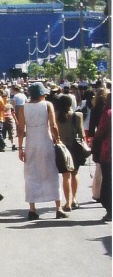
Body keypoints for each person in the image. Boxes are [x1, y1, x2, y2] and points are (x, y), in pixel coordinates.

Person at [17, 82, 66, 220]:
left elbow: (21, 130)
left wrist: (20, 148)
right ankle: (58, 208)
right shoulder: (47, 105)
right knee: (51, 172)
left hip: (31, 143)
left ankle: (32, 209)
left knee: (30, 174)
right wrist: (58, 140)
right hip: (46, 141)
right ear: (42, 94)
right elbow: (53, 126)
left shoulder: (23, 108)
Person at [54, 94, 86, 211]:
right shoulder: (77, 116)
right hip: (74, 147)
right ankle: (74, 199)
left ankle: (66, 203)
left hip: (61, 148)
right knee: (74, 173)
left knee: (65, 176)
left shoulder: (55, 116)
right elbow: (82, 135)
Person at [93, 93, 111, 223]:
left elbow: (100, 133)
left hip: (108, 152)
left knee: (108, 181)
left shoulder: (108, 114)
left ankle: (110, 210)